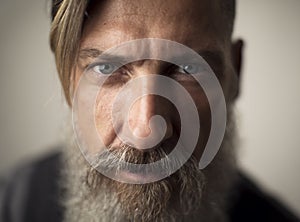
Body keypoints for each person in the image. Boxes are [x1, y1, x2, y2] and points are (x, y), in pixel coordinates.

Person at [0, 0, 299, 221]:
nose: (145, 129)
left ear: (234, 73)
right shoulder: (11, 206)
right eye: (108, 68)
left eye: (187, 69)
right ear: (68, 78)